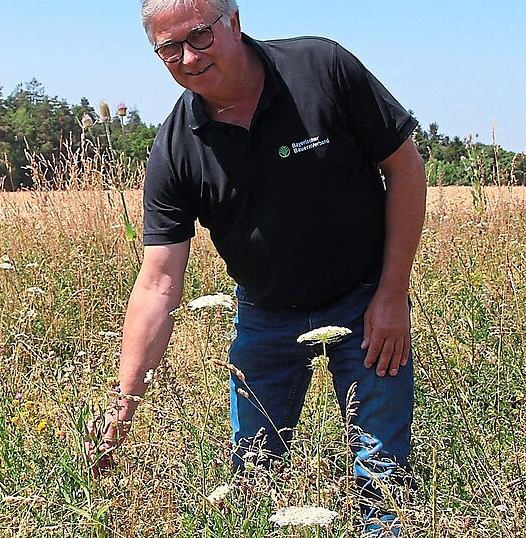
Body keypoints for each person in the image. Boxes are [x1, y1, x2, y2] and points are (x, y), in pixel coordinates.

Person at [84, 0, 426, 535]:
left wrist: (391, 294)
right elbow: (158, 282)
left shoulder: (322, 68)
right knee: (252, 481)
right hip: (266, 317)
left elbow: (405, 168)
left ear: (234, 21)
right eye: (169, 48)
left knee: (380, 479)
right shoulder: (177, 149)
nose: (189, 58)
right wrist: (124, 403)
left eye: (199, 36)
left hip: (366, 302)